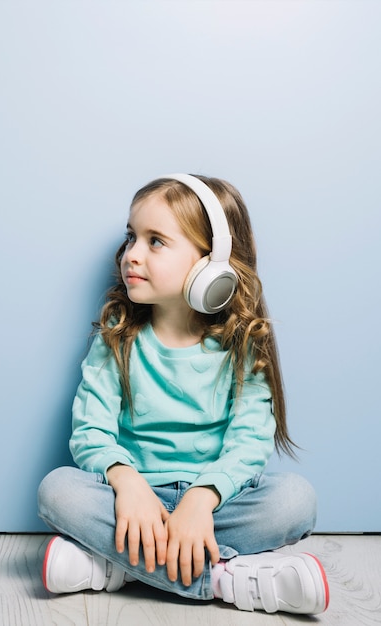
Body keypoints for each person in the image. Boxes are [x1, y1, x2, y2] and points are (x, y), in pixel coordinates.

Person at [37, 173, 329, 615]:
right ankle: (226, 580)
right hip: (132, 503)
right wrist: (127, 483)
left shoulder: (243, 343)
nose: (132, 255)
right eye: (131, 237)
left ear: (211, 263)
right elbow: (90, 431)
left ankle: (124, 568)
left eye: (156, 241)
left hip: (215, 505)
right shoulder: (117, 336)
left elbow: (249, 442)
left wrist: (200, 498)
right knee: (57, 490)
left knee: (295, 499)